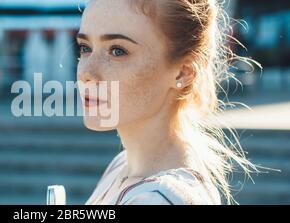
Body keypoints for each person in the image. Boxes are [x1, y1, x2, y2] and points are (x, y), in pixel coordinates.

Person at [76, 0, 259, 205]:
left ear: (183, 72)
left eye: (117, 51)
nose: (86, 73)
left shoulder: (158, 198)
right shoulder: (122, 165)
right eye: (85, 48)